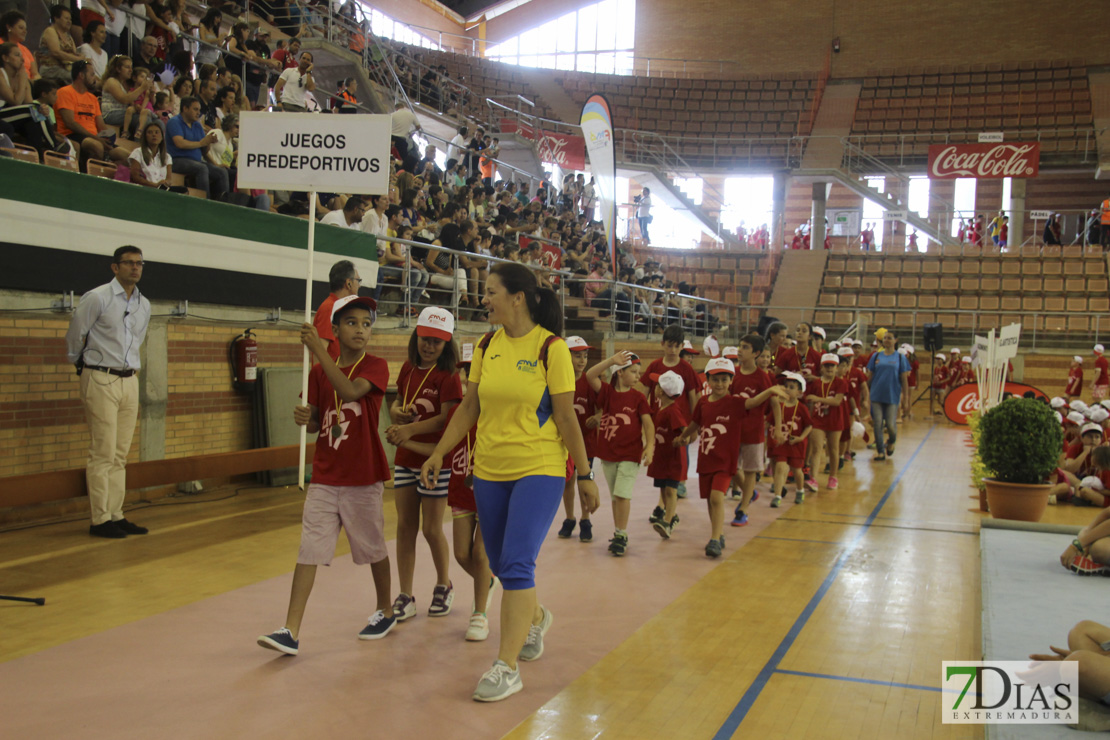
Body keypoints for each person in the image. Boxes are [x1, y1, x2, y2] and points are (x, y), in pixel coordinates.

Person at [419, 262, 599, 703]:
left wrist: (587, 472)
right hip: (490, 470)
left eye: (491, 291)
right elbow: (468, 408)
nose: (485, 298)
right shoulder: (485, 345)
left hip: (540, 466)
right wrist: (440, 452)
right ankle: (534, 617)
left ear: (517, 297)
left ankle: (506, 667)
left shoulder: (551, 349)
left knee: (517, 564)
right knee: (498, 563)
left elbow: (564, 416)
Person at [256, 294, 397, 655]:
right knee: (309, 549)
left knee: (371, 547)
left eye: (366, 324)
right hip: (325, 476)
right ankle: (291, 629)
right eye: (352, 323)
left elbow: (350, 391)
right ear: (335, 329)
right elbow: (319, 420)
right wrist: (307, 420)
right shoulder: (318, 373)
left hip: (362, 477)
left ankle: (386, 609)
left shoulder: (376, 366)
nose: (361, 331)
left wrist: (319, 350)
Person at [64, 246, 151, 539]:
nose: (135, 268)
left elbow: (136, 340)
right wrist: (81, 361)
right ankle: (99, 519)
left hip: (129, 380)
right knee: (102, 451)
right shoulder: (98, 297)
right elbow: (76, 332)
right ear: (115, 267)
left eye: (139, 263)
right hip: (101, 377)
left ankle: (116, 513)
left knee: (120, 453)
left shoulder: (143, 304)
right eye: (129, 263)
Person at [384, 307, 462, 622]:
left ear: (447, 345)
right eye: (424, 339)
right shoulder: (407, 368)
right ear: (416, 336)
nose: (429, 346)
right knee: (405, 527)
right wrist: (396, 412)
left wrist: (409, 430)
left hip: (434, 458)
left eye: (437, 342)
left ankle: (444, 584)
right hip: (406, 457)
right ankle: (405, 593)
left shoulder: (449, 375)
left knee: (431, 528)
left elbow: (447, 418)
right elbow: (400, 399)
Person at [586, 350, 654, 557]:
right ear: (620, 372)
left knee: (622, 494)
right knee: (616, 497)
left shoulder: (639, 398)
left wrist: (649, 446)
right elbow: (590, 375)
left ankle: (621, 534)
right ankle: (618, 532)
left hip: (630, 454)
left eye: (638, 372)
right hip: (608, 454)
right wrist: (610, 361)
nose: (638, 376)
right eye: (633, 371)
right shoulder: (607, 393)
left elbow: (648, 424)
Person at [678, 357, 745, 558]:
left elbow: (753, 402)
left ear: (731, 381)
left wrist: (770, 392)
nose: (720, 384)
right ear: (707, 380)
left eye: (725, 379)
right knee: (710, 500)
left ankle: (714, 539)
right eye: (715, 379)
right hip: (706, 459)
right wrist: (683, 437)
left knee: (717, 497)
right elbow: (695, 423)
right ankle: (718, 533)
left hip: (725, 461)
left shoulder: (734, 403)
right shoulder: (704, 403)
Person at [729, 334, 787, 524]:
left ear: (756, 353)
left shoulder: (763, 378)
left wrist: (777, 428)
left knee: (750, 470)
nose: (740, 350)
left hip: (753, 432)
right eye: (739, 346)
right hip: (733, 429)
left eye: (745, 347)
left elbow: (775, 404)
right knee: (730, 468)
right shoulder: (733, 374)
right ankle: (750, 492)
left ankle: (743, 510)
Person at [557, 335, 599, 542]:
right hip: (563, 444)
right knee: (567, 482)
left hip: (586, 444)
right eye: (577, 356)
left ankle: (585, 519)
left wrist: (597, 417)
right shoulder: (557, 381)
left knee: (584, 479)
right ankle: (569, 518)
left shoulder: (590, 382)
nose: (582, 360)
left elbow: (604, 408)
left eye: (585, 356)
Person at [55, 60, 128, 172]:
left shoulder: (92, 98)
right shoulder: (64, 92)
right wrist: (96, 138)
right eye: (92, 74)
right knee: (96, 146)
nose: (95, 78)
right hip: (72, 134)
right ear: (81, 75)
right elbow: (70, 123)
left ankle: (108, 175)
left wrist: (107, 140)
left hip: (94, 137)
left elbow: (101, 126)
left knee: (128, 156)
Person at [646, 370, 688, 539]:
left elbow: (685, 431)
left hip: (673, 459)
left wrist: (681, 440)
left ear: (661, 391)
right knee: (663, 488)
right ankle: (670, 515)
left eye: (657, 385)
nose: (654, 387)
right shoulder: (662, 408)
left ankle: (668, 521)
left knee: (671, 490)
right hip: (662, 458)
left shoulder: (673, 411)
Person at [166, 95, 228, 200]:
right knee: (201, 168)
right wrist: (201, 143)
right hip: (176, 160)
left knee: (221, 172)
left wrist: (208, 142)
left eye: (199, 110)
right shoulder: (175, 122)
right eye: (195, 109)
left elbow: (204, 151)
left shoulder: (197, 125)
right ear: (185, 108)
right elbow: (179, 143)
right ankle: (205, 201)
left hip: (196, 161)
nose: (198, 113)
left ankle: (224, 203)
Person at [0, 41, 58, 152]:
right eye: (17, 55)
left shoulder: (22, 76)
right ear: (5, 58)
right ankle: (54, 146)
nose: (22, 60)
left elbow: (28, 103)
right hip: (2, 114)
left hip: (13, 115)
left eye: (22, 56)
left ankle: (37, 157)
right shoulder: (1, 74)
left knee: (33, 124)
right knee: (35, 110)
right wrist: (22, 79)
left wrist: (42, 110)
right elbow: (15, 102)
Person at [769, 371, 813, 506]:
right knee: (780, 467)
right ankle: (777, 496)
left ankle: (800, 491)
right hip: (782, 444)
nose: (787, 389)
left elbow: (809, 426)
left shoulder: (802, 408)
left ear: (799, 391)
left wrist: (801, 438)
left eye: (792, 387)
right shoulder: (779, 406)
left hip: (796, 444)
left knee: (797, 470)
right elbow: (769, 421)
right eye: (786, 386)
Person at [866, 329, 911, 461]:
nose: (886, 340)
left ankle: (891, 441)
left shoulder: (900, 358)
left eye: (890, 338)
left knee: (891, 425)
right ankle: (880, 451)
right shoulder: (876, 356)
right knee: (878, 423)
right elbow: (870, 376)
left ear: (896, 340)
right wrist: (864, 391)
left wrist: (906, 399)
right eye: (885, 338)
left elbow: (904, 379)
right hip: (876, 394)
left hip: (892, 396)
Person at [313, 260, 362, 361]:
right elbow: (320, 351)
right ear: (349, 283)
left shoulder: (341, 308)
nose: (360, 285)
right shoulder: (330, 308)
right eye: (358, 280)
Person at [37, 4, 82, 84]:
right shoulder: (50, 31)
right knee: (78, 78)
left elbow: (74, 54)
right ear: (56, 18)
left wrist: (83, 59)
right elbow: (56, 52)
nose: (69, 22)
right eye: (66, 18)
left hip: (65, 69)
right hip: (51, 69)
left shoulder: (68, 36)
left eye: (70, 19)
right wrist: (77, 59)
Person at [127, 120, 177, 188]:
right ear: (145, 137)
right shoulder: (138, 152)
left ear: (162, 137)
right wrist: (155, 185)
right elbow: (136, 177)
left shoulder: (167, 157)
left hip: (161, 189)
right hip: (143, 188)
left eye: (157, 132)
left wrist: (165, 182)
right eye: (150, 132)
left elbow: (169, 179)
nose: (154, 135)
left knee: (183, 190)